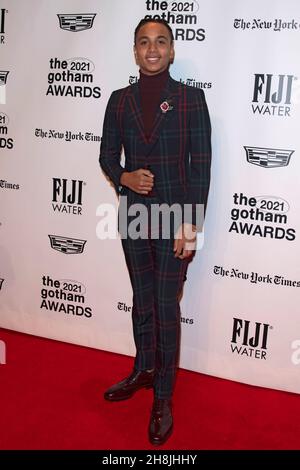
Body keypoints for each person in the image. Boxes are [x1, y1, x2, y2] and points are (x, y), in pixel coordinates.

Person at [99, 18, 211, 445]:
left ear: (172, 49)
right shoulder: (118, 100)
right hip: (133, 217)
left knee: (165, 306)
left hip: (173, 219)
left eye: (160, 41)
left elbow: (199, 167)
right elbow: (108, 155)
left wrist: (189, 223)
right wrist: (125, 178)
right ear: (134, 49)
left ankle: (163, 396)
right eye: (144, 42)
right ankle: (144, 369)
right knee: (142, 299)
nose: (152, 49)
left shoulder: (190, 100)